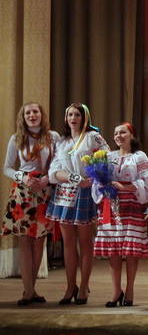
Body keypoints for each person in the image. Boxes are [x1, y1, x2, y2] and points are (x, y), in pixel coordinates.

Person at [47, 103, 110, 305]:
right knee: (67, 241)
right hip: (65, 192)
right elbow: (53, 171)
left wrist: (94, 177)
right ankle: (70, 286)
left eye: (77, 115)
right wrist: (72, 178)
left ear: (84, 118)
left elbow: (107, 160)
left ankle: (84, 286)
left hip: (85, 192)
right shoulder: (62, 142)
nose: (73, 118)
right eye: (70, 115)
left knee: (85, 241)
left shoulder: (93, 137)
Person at [92, 123, 148, 307]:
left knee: (130, 249)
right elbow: (98, 181)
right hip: (111, 206)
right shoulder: (109, 156)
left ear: (131, 135)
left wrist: (125, 186)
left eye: (123, 132)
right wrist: (103, 185)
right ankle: (116, 290)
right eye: (116, 133)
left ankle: (130, 290)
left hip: (132, 205)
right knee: (114, 249)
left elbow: (147, 181)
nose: (118, 136)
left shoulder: (139, 156)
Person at [3, 102, 59, 306]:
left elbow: (58, 164)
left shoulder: (53, 137)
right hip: (23, 193)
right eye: (28, 112)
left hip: (44, 192)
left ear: (42, 114)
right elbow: (7, 168)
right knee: (25, 242)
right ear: (23, 117)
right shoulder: (16, 138)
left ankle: (30, 289)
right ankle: (29, 291)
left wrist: (46, 180)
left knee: (39, 242)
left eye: (35, 111)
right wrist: (23, 177)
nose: (32, 115)